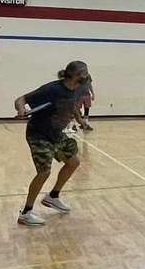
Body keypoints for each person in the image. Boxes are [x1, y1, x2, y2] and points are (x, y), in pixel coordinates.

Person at [13, 60, 91, 226]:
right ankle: (26, 213)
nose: (86, 76)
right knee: (44, 172)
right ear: (75, 75)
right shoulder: (52, 89)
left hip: (56, 134)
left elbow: (73, 105)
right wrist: (21, 110)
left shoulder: (77, 89)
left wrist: (80, 120)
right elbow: (21, 99)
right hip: (39, 134)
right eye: (84, 73)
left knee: (73, 162)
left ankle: (53, 196)